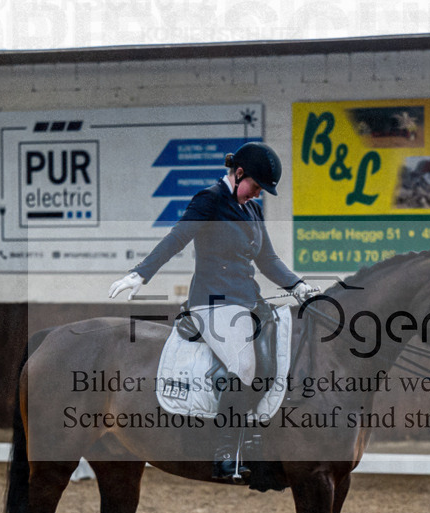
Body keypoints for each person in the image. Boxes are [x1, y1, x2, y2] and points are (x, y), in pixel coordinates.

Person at [108, 142, 314, 481]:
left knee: (275, 354)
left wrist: (298, 285)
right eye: (256, 186)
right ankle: (224, 452)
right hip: (212, 303)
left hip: (248, 302)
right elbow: (177, 238)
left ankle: (254, 436)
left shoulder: (252, 210)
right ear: (239, 173)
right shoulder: (210, 200)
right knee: (243, 365)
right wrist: (140, 273)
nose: (258, 193)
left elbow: (268, 259)